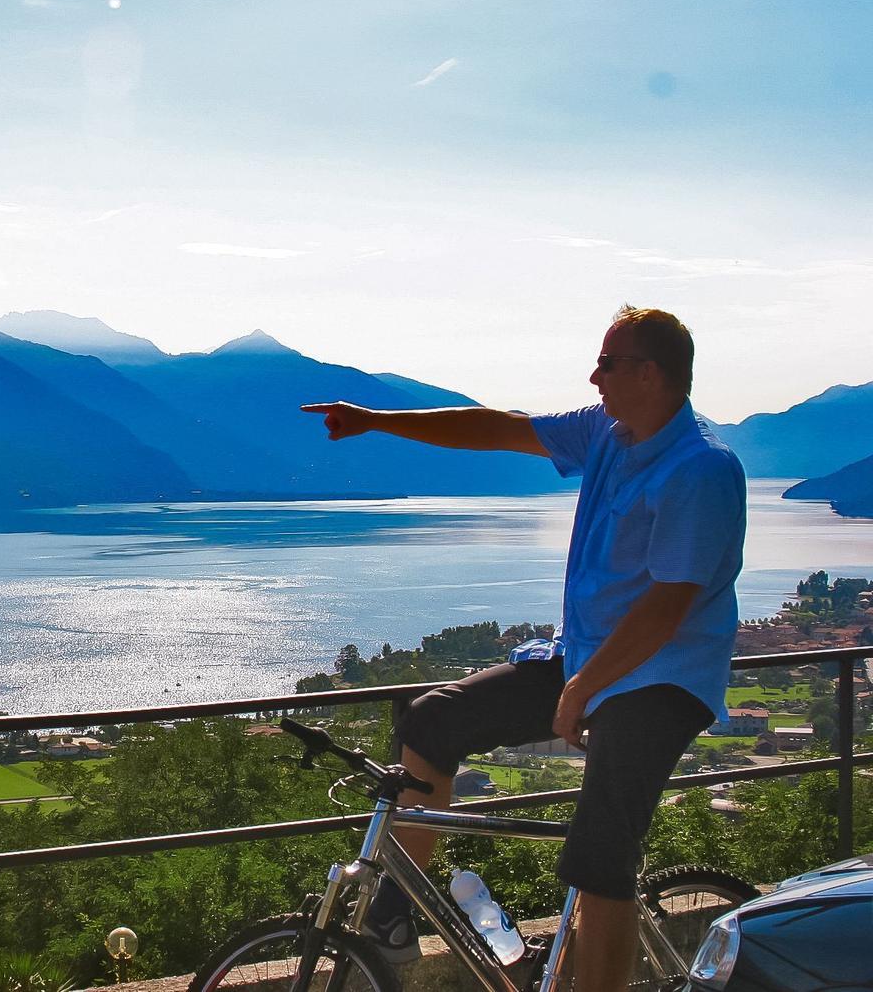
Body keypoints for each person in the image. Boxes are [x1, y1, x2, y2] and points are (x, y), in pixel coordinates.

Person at [302, 306, 745, 992]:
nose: (593, 375)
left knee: (599, 859)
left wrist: (580, 686)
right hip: (588, 658)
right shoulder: (607, 432)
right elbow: (498, 427)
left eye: (608, 361)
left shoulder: (701, 469)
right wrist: (377, 418)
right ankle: (394, 916)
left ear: (651, 373)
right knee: (431, 718)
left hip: (660, 678)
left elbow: (667, 606)